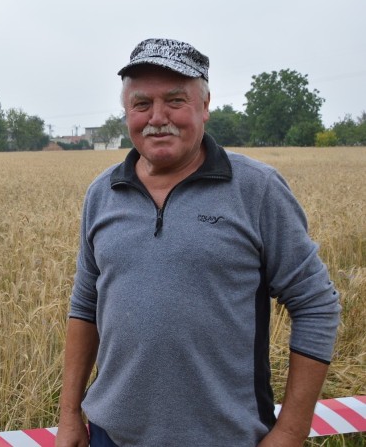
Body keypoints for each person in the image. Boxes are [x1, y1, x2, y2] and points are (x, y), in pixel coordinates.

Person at [56, 39, 340, 447]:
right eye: (141, 104)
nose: (157, 118)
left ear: (204, 106)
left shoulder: (256, 190)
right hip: (112, 437)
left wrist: (291, 432)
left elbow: (316, 304)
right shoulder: (103, 193)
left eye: (175, 100)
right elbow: (85, 307)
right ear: (126, 113)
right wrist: (69, 418)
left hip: (227, 437)